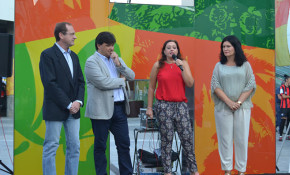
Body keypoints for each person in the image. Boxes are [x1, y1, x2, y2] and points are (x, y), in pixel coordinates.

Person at [84, 31, 135, 175]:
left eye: (112, 45)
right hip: (101, 111)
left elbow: (131, 76)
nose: (111, 48)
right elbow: (103, 83)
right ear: (99, 45)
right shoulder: (91, 62)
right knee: (100, 146)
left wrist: (119, 64)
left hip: (119, 109)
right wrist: (121, 81)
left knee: (124, 145)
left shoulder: (116, 59)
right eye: (108, 45)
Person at [146, 40, 199, 175]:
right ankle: (168, 172)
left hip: (180, 105)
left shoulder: (183, 63)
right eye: (168, 48)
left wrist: (181, 67)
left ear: (177, 50)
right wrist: (150, 108)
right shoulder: (158, 65)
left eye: (174, 48)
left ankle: (194, 170)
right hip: (163, 106)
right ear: (164, 51)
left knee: (187, 138)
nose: (171, 50)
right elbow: (151, 87)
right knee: (166, 139)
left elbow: (190, 83)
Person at [39, 22, 85, 175]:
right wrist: (68, 104)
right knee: (51, 146)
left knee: (74, 147)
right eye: (72, 34)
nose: (75, 36)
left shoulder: (74, 56)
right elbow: (50, 84)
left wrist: (78, 102)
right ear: (61, 35)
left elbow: (80, 82)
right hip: (56, 109)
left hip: (74, 110)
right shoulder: (47, 55)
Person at [210, 35, 256, 175]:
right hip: (223, 108)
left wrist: (238, 102)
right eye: (223, 47)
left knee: (242, 139)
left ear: (236, 47)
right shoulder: (219, 66)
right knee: (225, 140)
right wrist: (229, 102)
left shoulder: (246, 65)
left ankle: (241, 171)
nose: (225, 49)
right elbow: (215, 85)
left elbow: (250, 84)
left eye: (228, 46)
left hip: (243, 108)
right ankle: (227, 171)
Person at [278, 74, 290, 141]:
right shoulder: (282, 87)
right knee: (283, 120)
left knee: (289, 121)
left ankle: (288, 135)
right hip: (284, 107)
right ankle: (280, 135)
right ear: (286, 80)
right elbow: (283, 97)